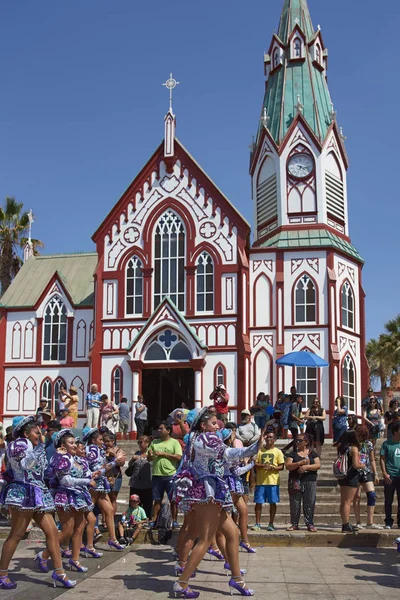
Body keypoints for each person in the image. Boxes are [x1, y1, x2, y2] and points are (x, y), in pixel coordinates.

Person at [173, 408, 259, 598]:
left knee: (233, 533)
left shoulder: (199, 440)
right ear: (203, 425)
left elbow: (227, 463)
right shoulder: (206, 438)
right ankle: (182, 583)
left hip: (212, 492)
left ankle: (236, 578)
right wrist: (255, 447)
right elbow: (229, 453)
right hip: (208, 493)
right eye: (213, 423)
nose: (217, 425)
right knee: (204, 540)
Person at [0, 416, 76, 590]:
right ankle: (2, 573)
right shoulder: (19, 444)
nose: (39, 435)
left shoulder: (32, 446)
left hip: (38, 493)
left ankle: (59, 571)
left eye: (40, 432)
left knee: (52, 532)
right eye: (36, 432)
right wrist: (41, 446)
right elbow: (26, 465)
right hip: (23, 492)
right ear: (26, 432)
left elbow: (43, 472)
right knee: (17, 534)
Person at [42, 429, 96, 573]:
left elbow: (90, 475)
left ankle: (75, 560)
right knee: (67, 530)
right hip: (64, 496)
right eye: (71, 443)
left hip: (78, 496)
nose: (74, 445)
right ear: (63, 446)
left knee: (80, 526)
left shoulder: (77, 459)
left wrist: (108, 467)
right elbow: (65, 481)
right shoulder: (62, 458)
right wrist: (86, 481)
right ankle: (43, 555)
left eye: (75, 442)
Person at [83, 427, 126, 550]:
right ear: (93, 440)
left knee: (109, 510)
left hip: (100, 486)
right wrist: (115, 461)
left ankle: (112, 539)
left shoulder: (98, 450)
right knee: (87, 514)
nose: (103, 442)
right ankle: (86, 544)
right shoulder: (91, 450)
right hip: (93, 485)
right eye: (100, 439)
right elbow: (98, 470)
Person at [148, 422, 182, 528]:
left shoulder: (174, 442)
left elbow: (178, 457)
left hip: (170, 474)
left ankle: (174, 520)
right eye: (158, 428)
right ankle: (154, 520)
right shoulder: (154, 442)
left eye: (161, 428)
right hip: (157, 474)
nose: (159, 430)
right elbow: (149, 458)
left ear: (168, 430)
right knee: (157, 499)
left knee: (173, 499)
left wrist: (164, 454)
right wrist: (149, 456)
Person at [285, 433, 320, 532]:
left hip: (310, 480)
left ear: (306, 442)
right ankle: (294, 523)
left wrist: (306, 467)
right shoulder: (292, 454)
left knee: (309, 502)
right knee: (295, 503)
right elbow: (288, 466)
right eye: (296, 440)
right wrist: (299, 463)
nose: (297, 442)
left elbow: (318, 465)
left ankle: (310, 523)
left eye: (300, 440)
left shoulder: (312, 453)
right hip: (295, 481)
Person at [252, 431, 285, 531]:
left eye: (271, 437)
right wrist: (263, 466)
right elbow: (255, 464)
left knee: (273, 503)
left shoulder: (278, 452)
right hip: (261, 482)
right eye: (267, 437)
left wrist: (273, 468)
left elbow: (282, 466)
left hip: (273, 482)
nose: (269, 439)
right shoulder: (260, 451)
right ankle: (257, 523)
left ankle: (271, 523)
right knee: (258, 503)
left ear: (275, 439)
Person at [353, 425, 382, 529]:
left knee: (372, 495)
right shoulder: (352, 444)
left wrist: (376, 473)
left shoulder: (368, 444)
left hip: (366, 471)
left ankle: (370, 522)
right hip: (354, 472)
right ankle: (358, 522)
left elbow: (372, 459)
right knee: (356, 497)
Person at [337, 430, 366, 533]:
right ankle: (346, 524)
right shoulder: (354, 449)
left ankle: (344, 522)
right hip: (351, 476)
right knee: (348, 501)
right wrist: (363, 465)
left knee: (343, 501)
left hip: (342, 475)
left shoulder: (341, 448)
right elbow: (355, 465)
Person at [380, 421, 400, 530]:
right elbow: (382, 459)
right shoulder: (387, 444)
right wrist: (384, 473)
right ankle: (388, 521)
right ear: (395, 431)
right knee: (388, 500)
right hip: (390, 475)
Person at [127, 435, 153, 519]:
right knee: (134, 502)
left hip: (147, 483)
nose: (141, 444)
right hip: (135, 483)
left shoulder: (150, 453)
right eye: (139, 442)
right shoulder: (137, 453)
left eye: (143, 442)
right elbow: (130, 465)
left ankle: (146, 518)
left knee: (147, 503)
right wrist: (132, 459)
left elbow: (152, 462)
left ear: (148, 443)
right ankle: (133, 518)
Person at [103, 432, 126, 515]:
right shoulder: (101, 450)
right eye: (104, 441)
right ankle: (105, 519)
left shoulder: (119, 450)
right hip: (104, 476)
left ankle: (111, 517)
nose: (106, 443)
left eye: (108, 441)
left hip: (116, 476)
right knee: (104, 498)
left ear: (113, 441)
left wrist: (115, 455)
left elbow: (122, 463)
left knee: (113, 497)